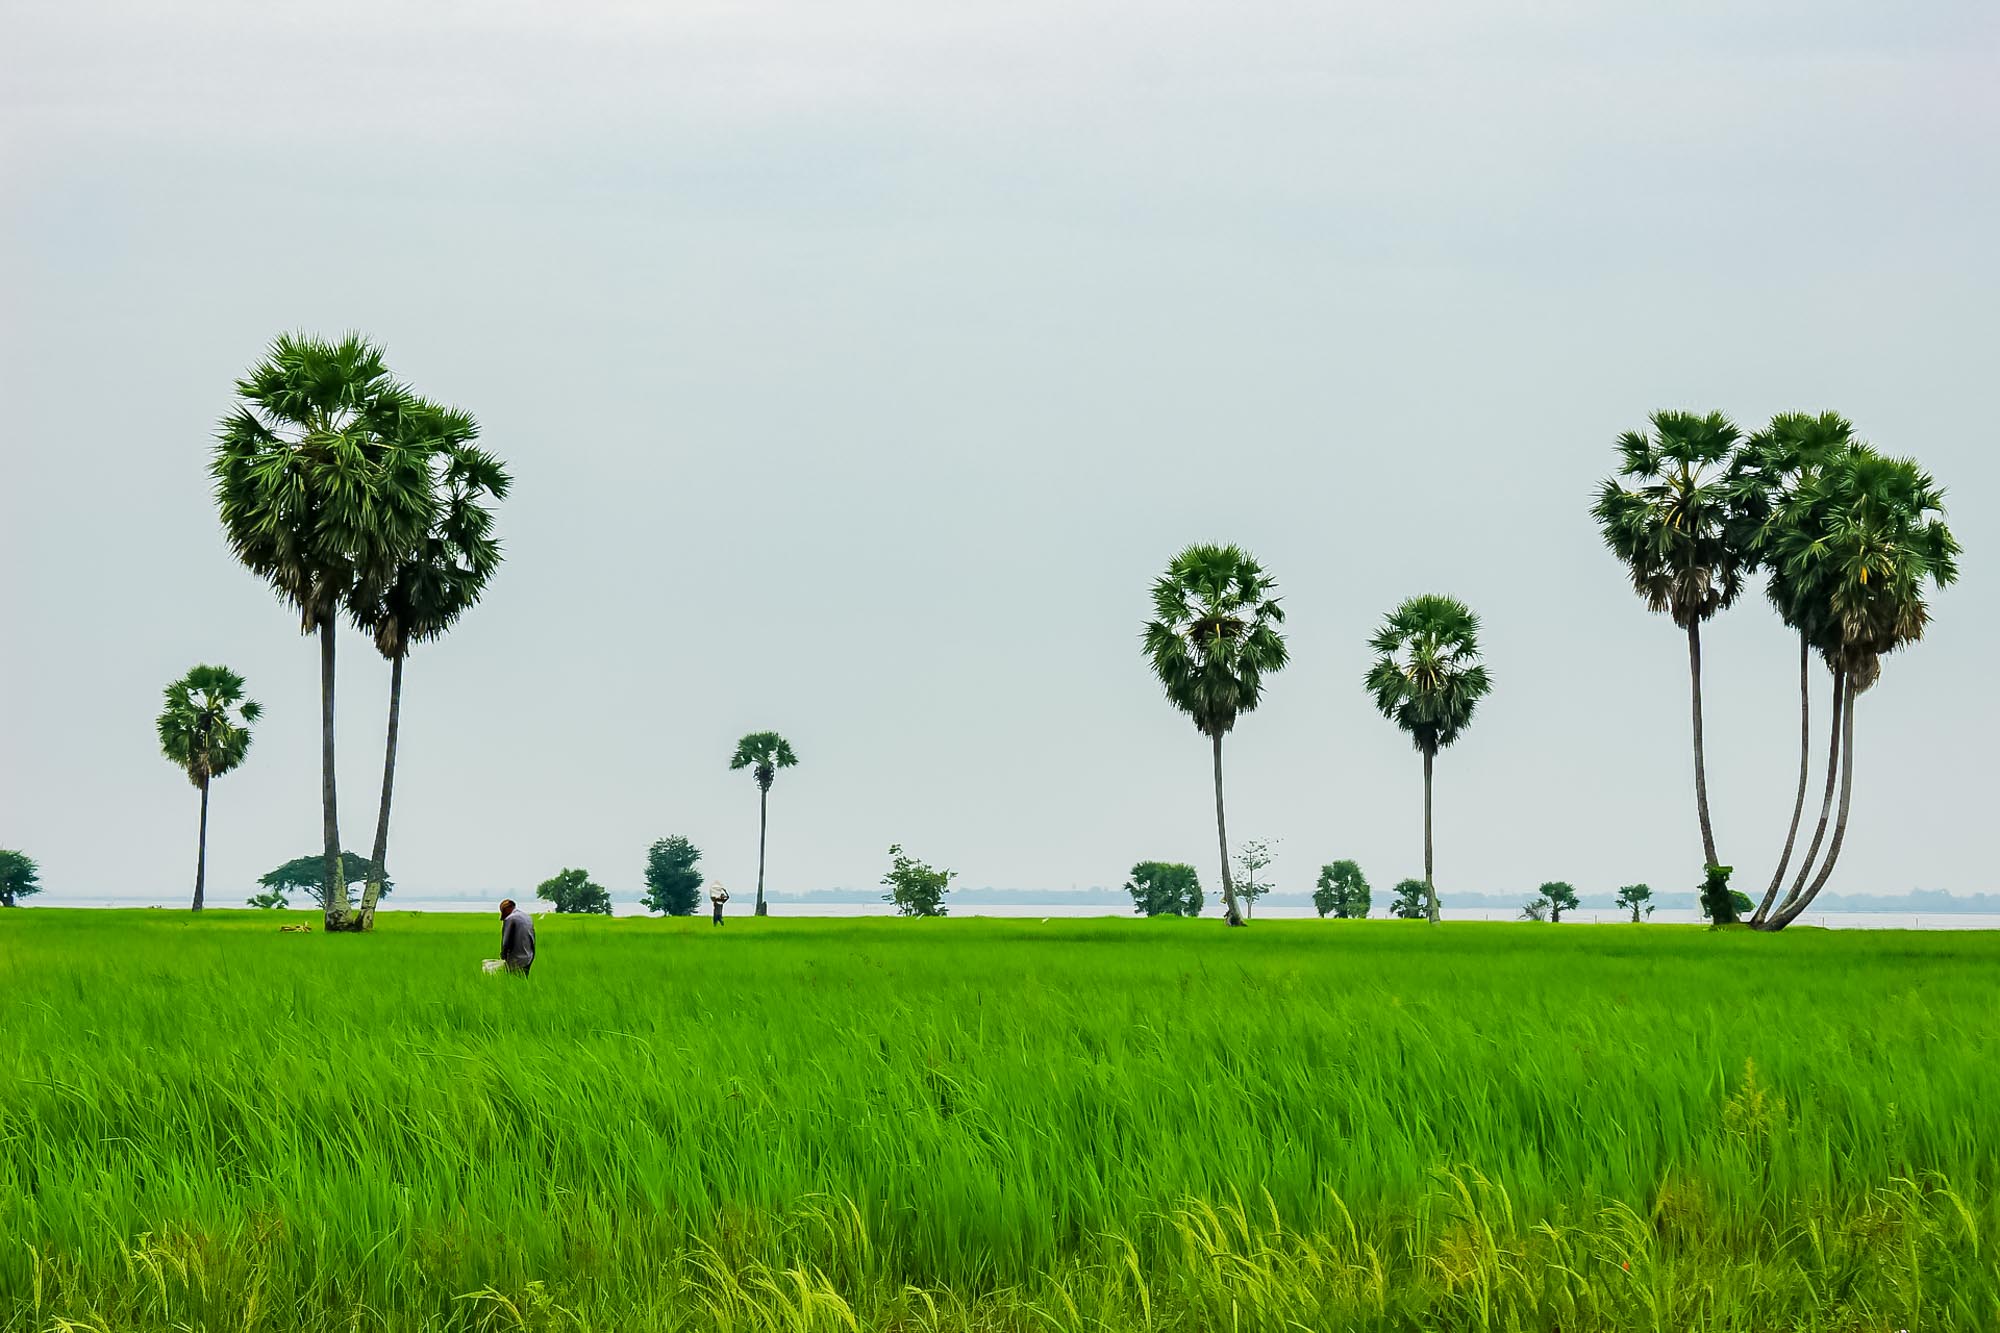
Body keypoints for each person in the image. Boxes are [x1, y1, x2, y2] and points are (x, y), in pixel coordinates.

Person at [499, 898, 535, 975]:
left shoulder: (510, 919)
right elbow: (533, 936)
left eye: (503, 912)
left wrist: (503, 956)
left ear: (507, 909)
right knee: (523, 982)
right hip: (529, 957)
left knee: (512, 982)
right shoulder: (528, 917)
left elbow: (505, 942)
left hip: (516, 958)